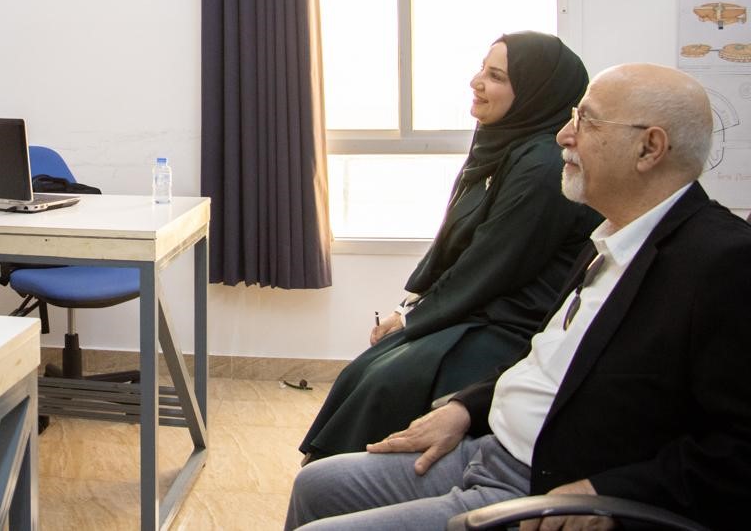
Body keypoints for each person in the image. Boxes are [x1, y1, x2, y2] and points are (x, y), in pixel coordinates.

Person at [285, 63, 751, 530]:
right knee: (316, 485)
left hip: (544, 487)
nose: (564, 136)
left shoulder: (723, 263)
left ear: (649, 147)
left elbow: (739, 449)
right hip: (488, 450)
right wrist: (465, 408)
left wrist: (606, 493)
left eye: (587, 121)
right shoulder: (609, 237)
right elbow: (550, 363)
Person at [300, 31, 600, 461]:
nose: (477, 82)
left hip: (515, 324)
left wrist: (414, 318)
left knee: (388, 381)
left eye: (496, 76)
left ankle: (347, 481)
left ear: (537, 93)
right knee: (368, 370)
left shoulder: (542, 166)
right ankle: (329, 476)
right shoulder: (502, 147)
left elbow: (491, 263)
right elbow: (459, 246)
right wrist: (410, 309)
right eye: (482, 69)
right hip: (482, 307)